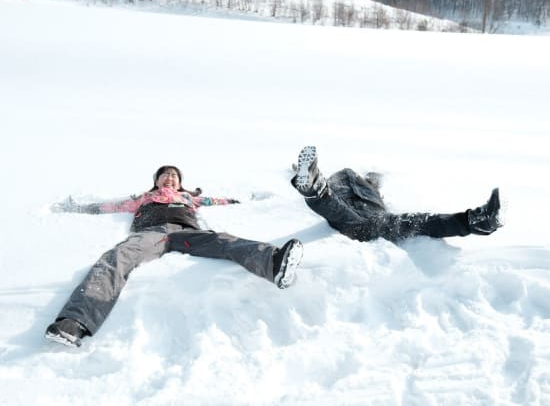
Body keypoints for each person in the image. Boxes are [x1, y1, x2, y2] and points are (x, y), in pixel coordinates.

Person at [45, 165, 303, 347]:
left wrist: (246, 200)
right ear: (156, 181)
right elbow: (107, 206)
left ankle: (273, 263)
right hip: (151, 234)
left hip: (187, 233)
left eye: (174, 176)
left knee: (224, 240)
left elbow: (221, 201)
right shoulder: (143, 198)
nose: (169, 179)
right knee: (116, 258)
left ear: (180, 183)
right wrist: (77, 207)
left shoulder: (189, 198)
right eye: (164, 175)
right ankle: (75, 322)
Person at [291, 146, 502, 243]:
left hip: (373, 223)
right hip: (360, 220)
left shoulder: (365, 184)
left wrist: (375, 178)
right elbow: (370, 184)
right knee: (339, 211)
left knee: (420, 221)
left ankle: (477, 221)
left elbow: (373, 181)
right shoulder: (355, 182)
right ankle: (311, 184)